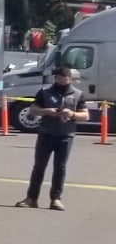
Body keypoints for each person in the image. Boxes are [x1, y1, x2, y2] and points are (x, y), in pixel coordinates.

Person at [21, 64, 86, 210]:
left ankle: (55, 199)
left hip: (65, 136)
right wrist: (46, 111)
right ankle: (31, 198)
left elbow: (85, 115)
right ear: (56, 78)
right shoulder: (45, 92)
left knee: (60, 168)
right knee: (39, 167)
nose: (63, 81)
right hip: (46, 134)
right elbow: (33, 109)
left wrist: (72, 114)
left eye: (66, 78)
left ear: (70, 79)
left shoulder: (78, 94)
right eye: (60, 78)